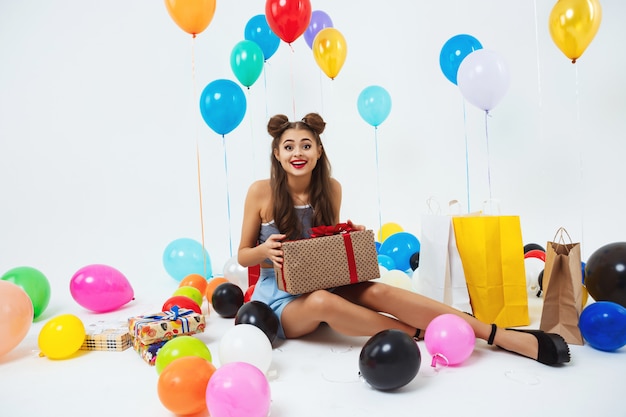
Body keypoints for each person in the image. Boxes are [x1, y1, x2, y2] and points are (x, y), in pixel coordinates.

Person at [237, 112, 570, 366]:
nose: (298, 153)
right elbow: (242, 255)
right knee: (323, 302)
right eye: (289, 147)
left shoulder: (331, 189)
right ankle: (420, 332)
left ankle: (500, 335)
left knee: (379, 290)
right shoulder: (260, 192)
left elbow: (324, 248)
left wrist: (346, 238)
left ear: (319, 151)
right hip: (281, 300)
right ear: (278, 155)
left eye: (306, 145)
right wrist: (264, 251)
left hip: (321, 282)